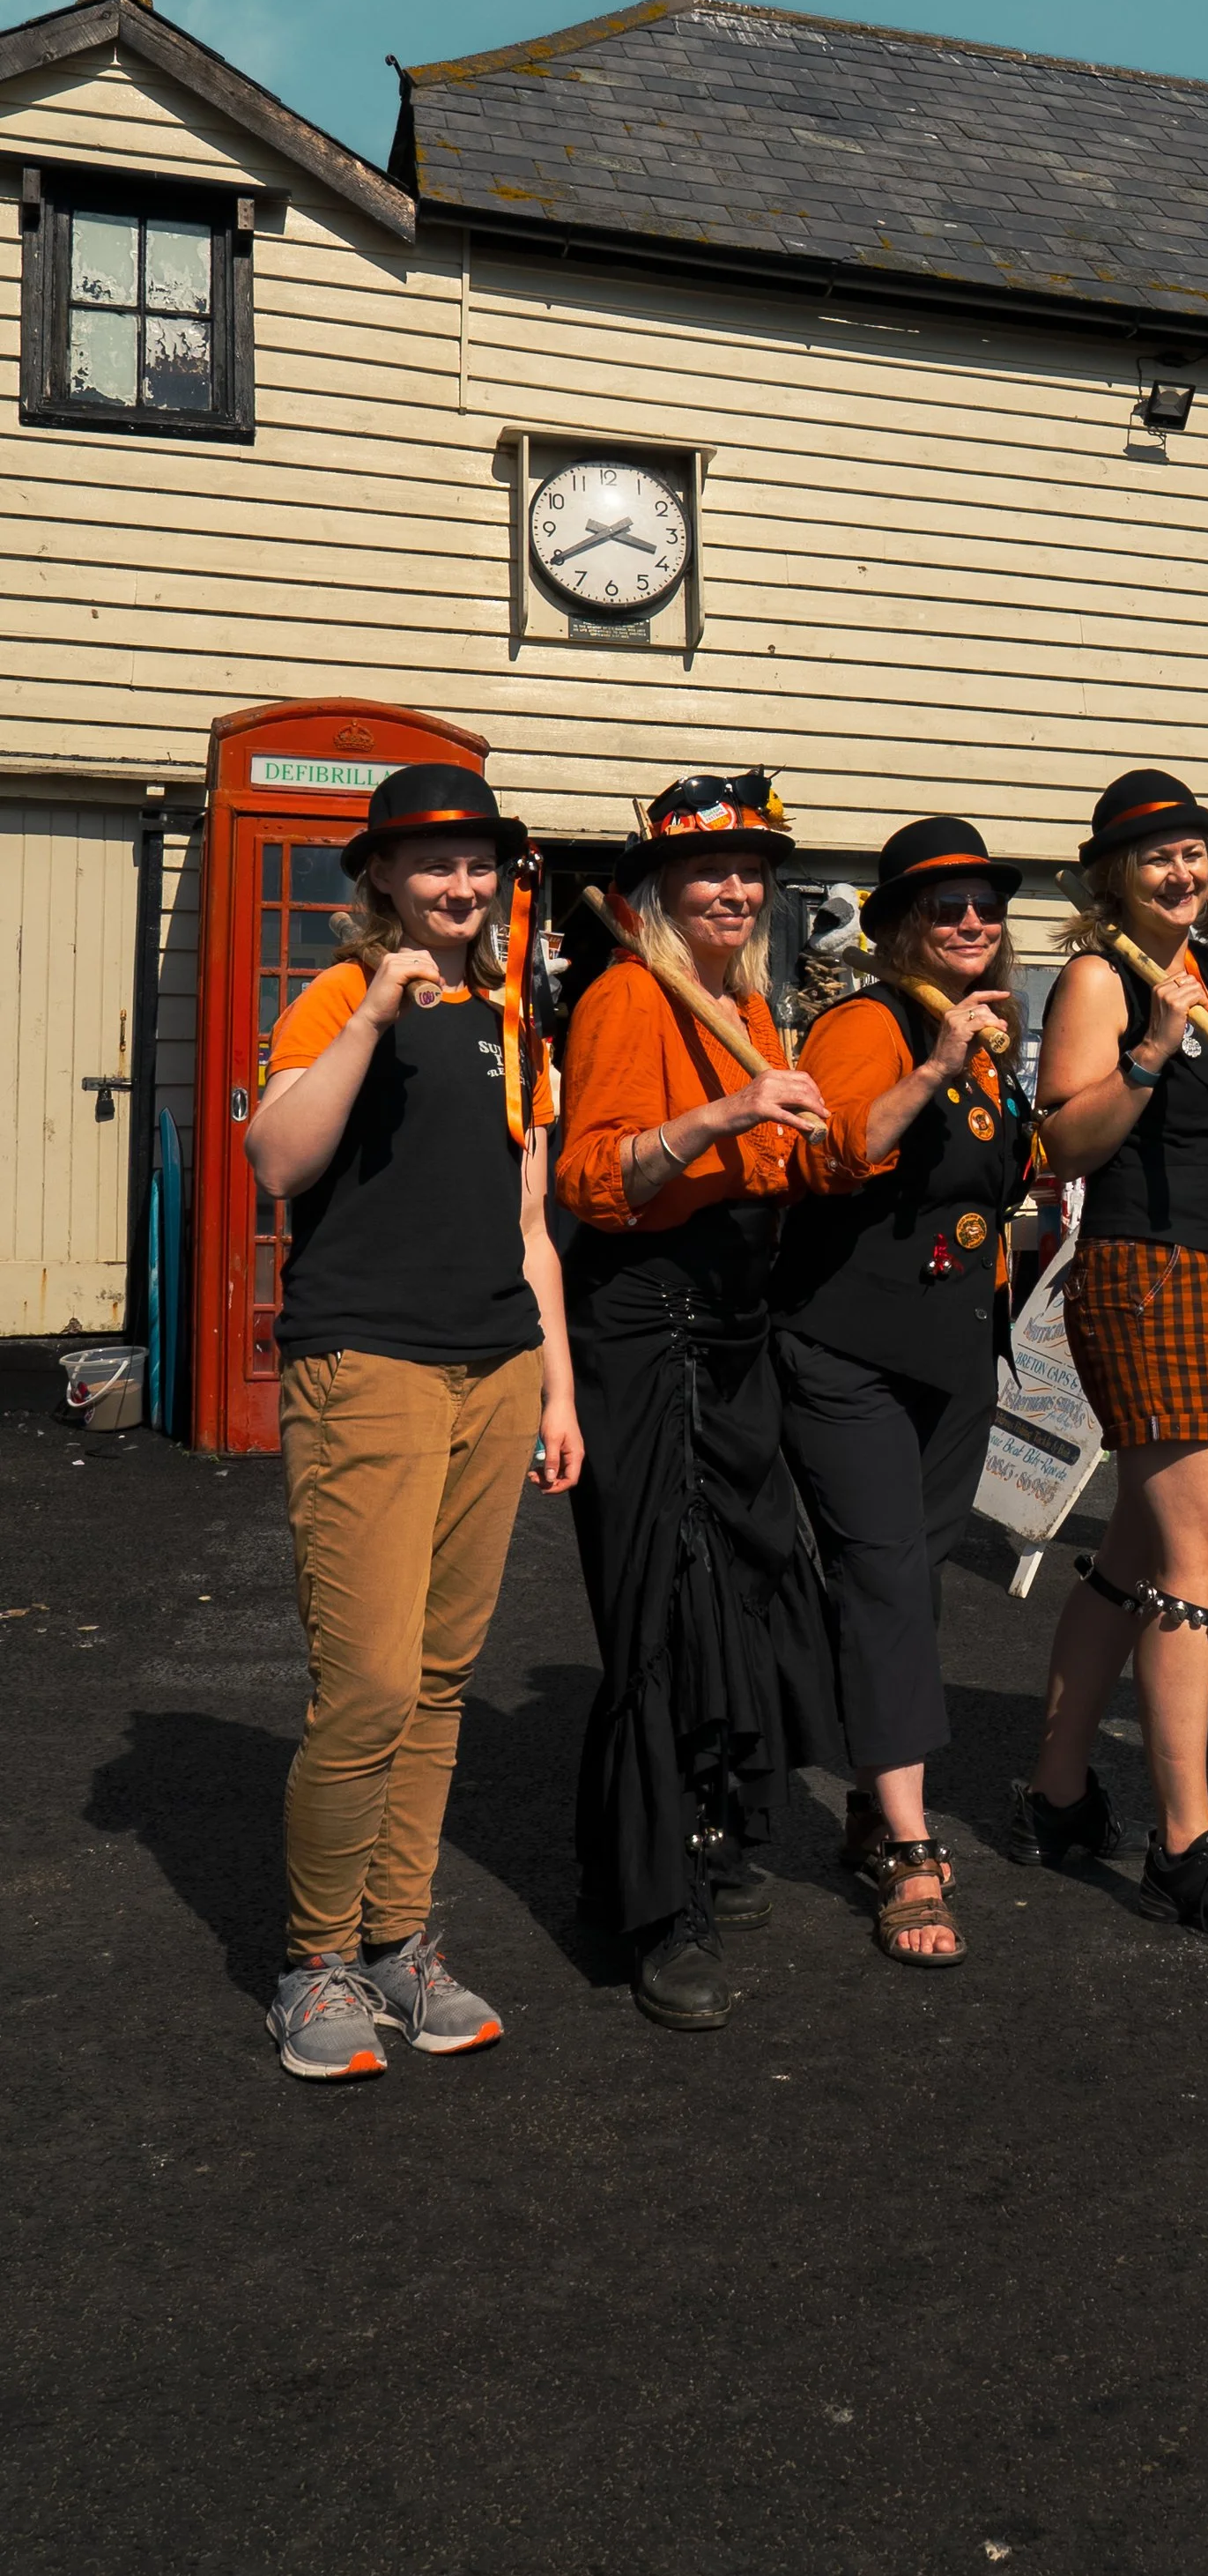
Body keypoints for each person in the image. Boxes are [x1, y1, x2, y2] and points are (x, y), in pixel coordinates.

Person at [247, 761, 581, 2082]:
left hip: (495, 1369)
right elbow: (279, 1159)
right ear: (380, 875)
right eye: (434, 860)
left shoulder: (515, 1018)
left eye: (479, 861)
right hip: (368, 1365)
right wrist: (377, 1012)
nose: (462, 882)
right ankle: (316, 1959)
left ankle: (397, 1940)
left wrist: (557, 1388)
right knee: (370, 1683)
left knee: (440, 1681)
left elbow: (530, 1222)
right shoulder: (340, 993)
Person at [556, 772, 840, 2032]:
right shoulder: (627, 994)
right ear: (659, 890)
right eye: (709, 870)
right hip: (647, 1322)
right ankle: (650, 1906)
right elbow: (591, 1176)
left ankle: (703, 1831)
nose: (735, 888)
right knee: (662, 1606)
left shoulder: (749, 1000)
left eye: (751, 870)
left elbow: (783, 1157)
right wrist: (725, 1111)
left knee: (735, 1585)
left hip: (734, 1323)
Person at [1013, 768, 1208, 1949]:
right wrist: (1153, 1048)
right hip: (1146, 1272)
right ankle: (1186, 1846)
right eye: (1155, 856)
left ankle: (1058, 1796)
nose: (1182, 871)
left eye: (1193, 850)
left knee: (1136, 1549)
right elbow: (1060, 1140)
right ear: (1111, 877)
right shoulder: (1104, 976)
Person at [771, 815, 1032, 1969]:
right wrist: (933, 1065)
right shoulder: (869, 1021)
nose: (970, 919)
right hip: (850, 1346)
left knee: (912, 1583)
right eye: (944, 905)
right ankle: (911, 1849)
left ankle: (876, 1802)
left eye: (985, 904)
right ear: (898, 926)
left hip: (954, 1348)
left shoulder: (985, 1034)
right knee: (882, 1575)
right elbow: (830, 1149)